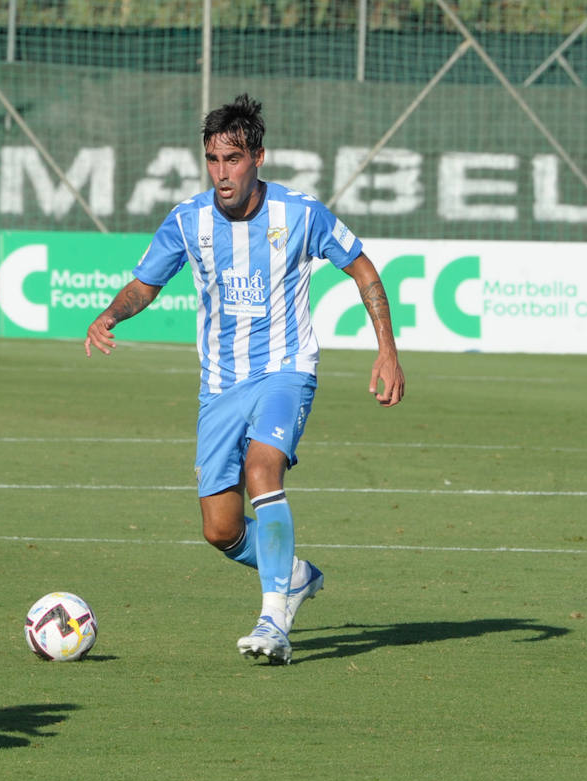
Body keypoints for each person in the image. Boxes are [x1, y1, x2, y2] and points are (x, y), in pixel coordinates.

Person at [84, 94, 405, 665]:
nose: (221, 172)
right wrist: (110, 314)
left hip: (287, 370)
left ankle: (273, 619)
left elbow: (362, 267)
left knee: (263, 467)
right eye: (212, 159)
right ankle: (295, 575)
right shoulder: (187, 220)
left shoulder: (301, 214)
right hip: (220, 385)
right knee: (221, 528)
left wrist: (387, 350)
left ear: (258, 156)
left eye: (232, 159)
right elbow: (145, 285)